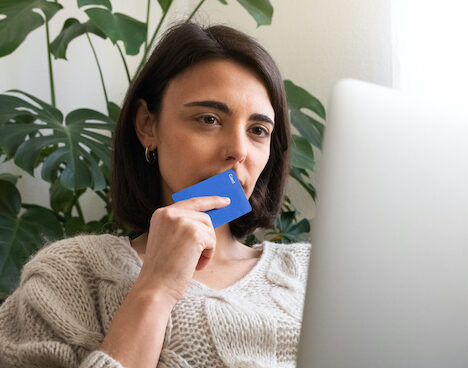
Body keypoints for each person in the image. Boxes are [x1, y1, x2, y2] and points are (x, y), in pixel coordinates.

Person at [0, 22, 310, 367]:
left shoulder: (312, 273)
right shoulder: (69, 276)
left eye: (258, 130)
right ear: (148, 126)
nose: (239, 150)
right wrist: (156, 287)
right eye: (208, 119)